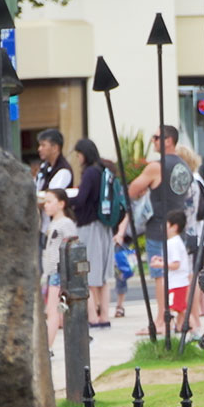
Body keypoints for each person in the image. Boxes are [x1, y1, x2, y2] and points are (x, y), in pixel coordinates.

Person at [128, 124, 192, 336]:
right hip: (178, 226)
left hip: (158, 227)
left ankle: (161, 320)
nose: (153, 141)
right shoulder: (184, 165)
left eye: (156, 137)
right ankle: (179, 318)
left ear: (168, 140)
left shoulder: (156, 166)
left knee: (160, 275)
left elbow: (133, 189)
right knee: (178, 275)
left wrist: (144, 189)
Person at [68, 139, 118, 329]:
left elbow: (81, 200)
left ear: (85, 154)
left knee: (86, 272)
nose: (78, 158)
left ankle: (93, 318)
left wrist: (68, 200)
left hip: (89, 226)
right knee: (103, 278)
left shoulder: (89, 173)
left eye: (79, 154)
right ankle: (104, 315)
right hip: (104, 226)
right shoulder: (104, 170)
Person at [40, 188, 79, 353]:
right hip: (51, 272)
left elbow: (71, 247)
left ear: (61, 204)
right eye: (45, 202)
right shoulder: (52, 224)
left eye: (49, 202)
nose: (45, 205)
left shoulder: (66, 224)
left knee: (52, 310)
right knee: (57, 310)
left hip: (58, 271)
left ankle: (47, 347)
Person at [176, 145, 204, 335]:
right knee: (195, 274)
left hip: (191, 233)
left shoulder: (189, 182)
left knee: (191, 276)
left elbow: (190, 212)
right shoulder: (199, 179)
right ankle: (198, 312)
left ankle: (194, 317)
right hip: (199, 234)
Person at [149, 210, 191, 331]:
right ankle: (180, 327)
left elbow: (175, 264)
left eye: (166, 224)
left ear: (174, 227)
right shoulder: (175, 242)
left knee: (172, 309)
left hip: (176, 283)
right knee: (180, 308)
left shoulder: (173, 243)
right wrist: (161, 260)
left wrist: (159, 265)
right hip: (179, 282)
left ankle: (169, 328)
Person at [35, 129, 73, 244]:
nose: (39, 149)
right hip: (43, 228)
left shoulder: (63, 171)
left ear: (55, 147)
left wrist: (37, 199)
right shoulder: (44, 167)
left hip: (57, 230)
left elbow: (49, 198)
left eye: (43, 145)